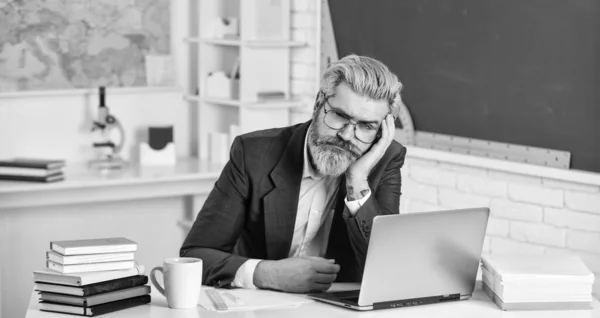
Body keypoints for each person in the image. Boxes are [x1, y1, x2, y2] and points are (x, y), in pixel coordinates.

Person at [181, 54, 407, 293]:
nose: (347, 135)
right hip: (258, 307)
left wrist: (357, 181)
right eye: (340, 116)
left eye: (366, 126)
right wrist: (266, 273)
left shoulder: (385, 160)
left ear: (381, 132)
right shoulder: (254, 154)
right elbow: (195, 254)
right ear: (319, 103)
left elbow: (385, 267)